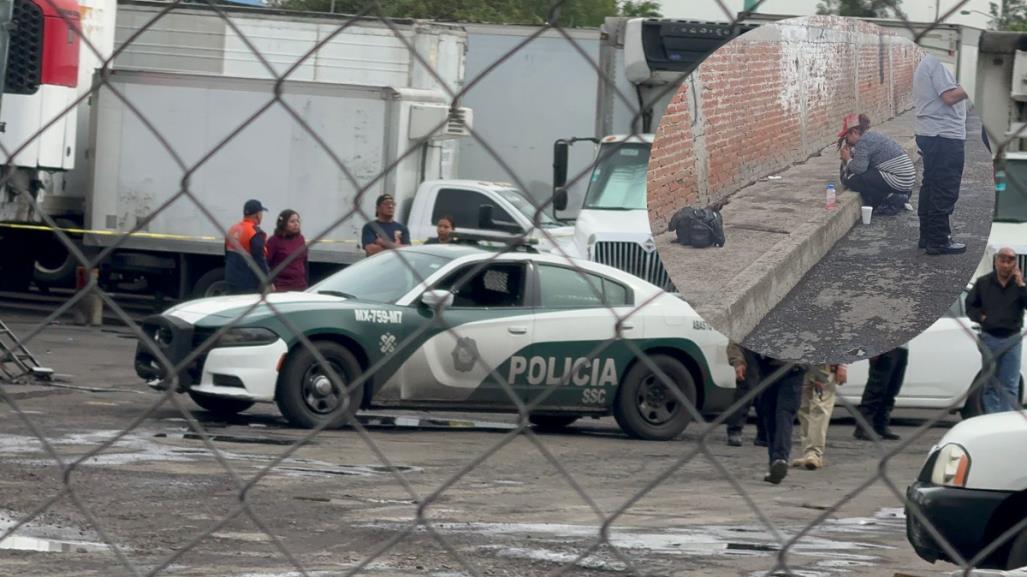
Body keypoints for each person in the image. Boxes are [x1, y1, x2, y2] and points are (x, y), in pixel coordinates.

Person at [913, 54, 969, 255]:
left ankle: (928, 236)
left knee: (931, 185)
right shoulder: (941, 61)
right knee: (944, 188)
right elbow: (950, 97)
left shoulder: (932, 60)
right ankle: (938, 240)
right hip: (943, 134)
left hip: (933, 132)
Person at [965, 247, 1027, 413]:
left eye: (1010, 261)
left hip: (1012, 338)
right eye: (1003, 260)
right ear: (996, 261)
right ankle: (992, 417)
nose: (1006, 265)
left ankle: (1005, 419)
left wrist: (1021, 285)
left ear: (1015, 263)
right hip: (990, 337)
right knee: (990, 383)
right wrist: (982, 318)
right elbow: (970, 305)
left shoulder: (1019, 285)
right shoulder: (983, 283)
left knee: (1010, 383)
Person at [838, 113, 915, 216]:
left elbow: (859, 169)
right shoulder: (872, 135)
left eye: (847, 135)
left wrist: (847, 159)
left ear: (855, 132)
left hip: (899, 178)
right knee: (866, 178)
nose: (846, 139)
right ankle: (901, 194)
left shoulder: (863, 141)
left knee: (853, 181)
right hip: (907, 178)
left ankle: (892, 197)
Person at [753, 355, 808, 484]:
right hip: (793, 369)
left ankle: (776, 460)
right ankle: (779, 459)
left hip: (769, 368)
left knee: (772, 416)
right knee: (783, 415)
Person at [792, 363, 847, 471]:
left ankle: (814, 452)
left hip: (825, 364)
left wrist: (842, 365)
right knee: (803, 408)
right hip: (804, 363)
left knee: (820, 407)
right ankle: (808, 452)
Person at [853, 345, 909, 441]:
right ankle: (863, 428)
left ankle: (880, 425)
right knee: (877, 387)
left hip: (902, 347)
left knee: (892, 388)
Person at [725, 342, 767, 448]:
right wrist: (738, 362)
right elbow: (734, 343)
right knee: (746, 390)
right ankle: (735, 430)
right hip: (750, 352)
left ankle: (765, 434)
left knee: (767, 393)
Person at [225, 199, 271, 294]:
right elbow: (260, 259)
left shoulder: (233, 229)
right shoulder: (254, 232)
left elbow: (227, 253)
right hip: (247, 282)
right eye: (261, 213)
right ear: (257, 215)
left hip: (231, 277)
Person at [267, 209, 309, 292]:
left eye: (298, 221)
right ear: (283, 224)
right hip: (282, 286)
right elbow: (267, 264)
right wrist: (270, 283)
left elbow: (305, 262)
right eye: (292, 221)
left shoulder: (300, 239)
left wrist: (306, 281)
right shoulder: (274, 240)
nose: (296, 224)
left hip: (300, 285)